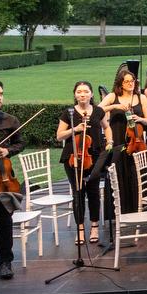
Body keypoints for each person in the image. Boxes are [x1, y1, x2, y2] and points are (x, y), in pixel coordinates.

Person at [56, 81, 112, 247]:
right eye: (79, 92)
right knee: (78, 193)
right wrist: (76, 129)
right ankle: (80, 229)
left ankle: (94, 227)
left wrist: (110, 141)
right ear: (75, 94)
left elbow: (107, 127)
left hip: (94, 157)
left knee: (93, 192)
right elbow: (59, 136)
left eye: (85, 91)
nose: (82, 94)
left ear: (91, 94)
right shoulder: (69, 113)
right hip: (72, 159)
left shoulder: (98, 111)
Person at [100, 68, 147, 214]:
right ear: (121, 84)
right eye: (127, 81)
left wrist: (140, 119)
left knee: (136, 175)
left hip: (137, 142)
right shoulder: (112, 96)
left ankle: (138, 208)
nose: (130, 84)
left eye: (132, 81)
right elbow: (97, 111)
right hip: (118, 142)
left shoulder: (141, 98)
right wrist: (115, 106)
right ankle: (120, 211)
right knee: (119, 174)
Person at [0, 79, 24, 279]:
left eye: (0, 94)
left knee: (4, 222)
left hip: (2, 180)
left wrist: (7, 149)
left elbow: (20, 143)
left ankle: (5, 262)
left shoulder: (10, 120)